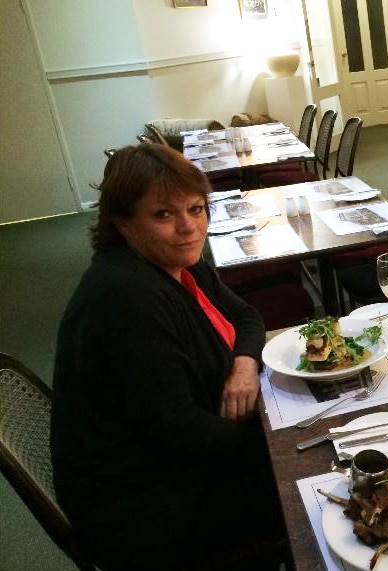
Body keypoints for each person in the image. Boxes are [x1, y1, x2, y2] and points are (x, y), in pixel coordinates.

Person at [50, 145, 290, 571]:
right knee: (315, 484)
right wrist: (280, 446)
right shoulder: (125, 297)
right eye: (163, 214)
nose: (188, 227)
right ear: (123, 223)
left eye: (196, 208)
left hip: (186, 461)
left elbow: (247, 315)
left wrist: (244, 363)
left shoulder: (180, 262)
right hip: (148, 508)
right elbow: (181, 433)